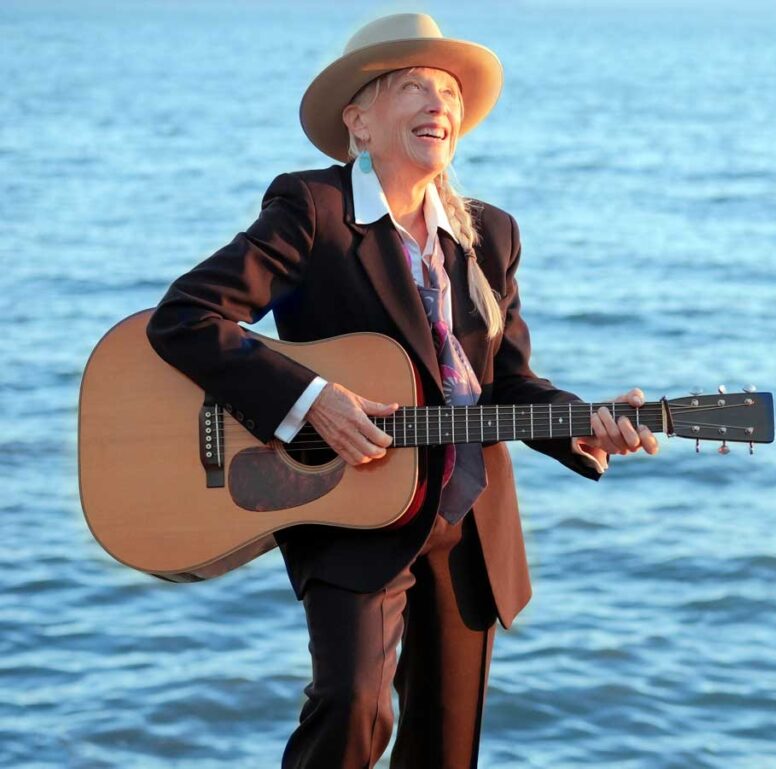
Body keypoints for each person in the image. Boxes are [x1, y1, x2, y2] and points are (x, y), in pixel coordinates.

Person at [146, 12, 658, 768]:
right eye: (414, 86)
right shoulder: (312, 211)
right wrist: (311, 399)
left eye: (449, 91)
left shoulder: (491, 234)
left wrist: (585, 422)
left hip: (467, 513)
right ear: (358, 120)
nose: (439, 103)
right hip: (351, 507)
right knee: (353, 709)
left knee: (445, 744)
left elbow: (506, 386)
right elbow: (186, 316)